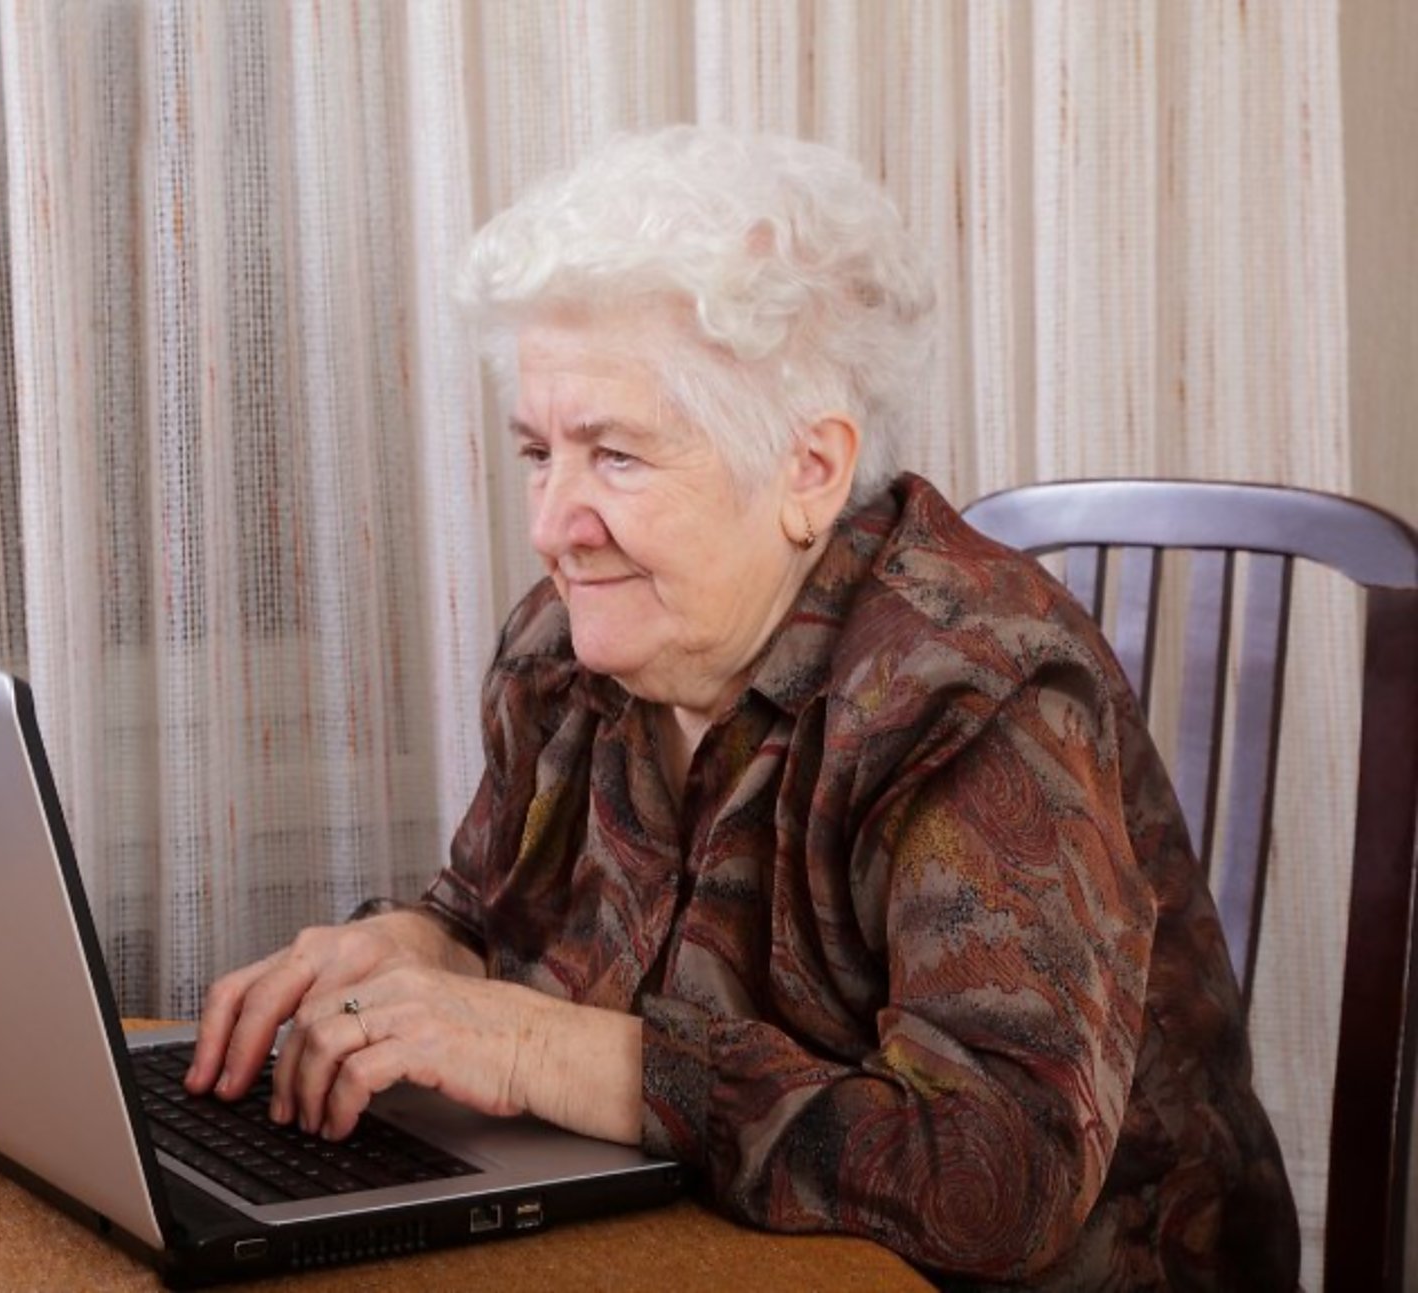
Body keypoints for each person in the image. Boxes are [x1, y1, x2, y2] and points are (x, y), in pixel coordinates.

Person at [183, 126, 1298, 1290]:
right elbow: (487, 910)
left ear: (809, 471)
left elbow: (996, 1180)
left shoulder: (974, 696)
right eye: (539, 452)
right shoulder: (566, 653)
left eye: (616, 457)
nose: (552, 526)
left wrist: (540, 1050)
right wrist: (414, 950)